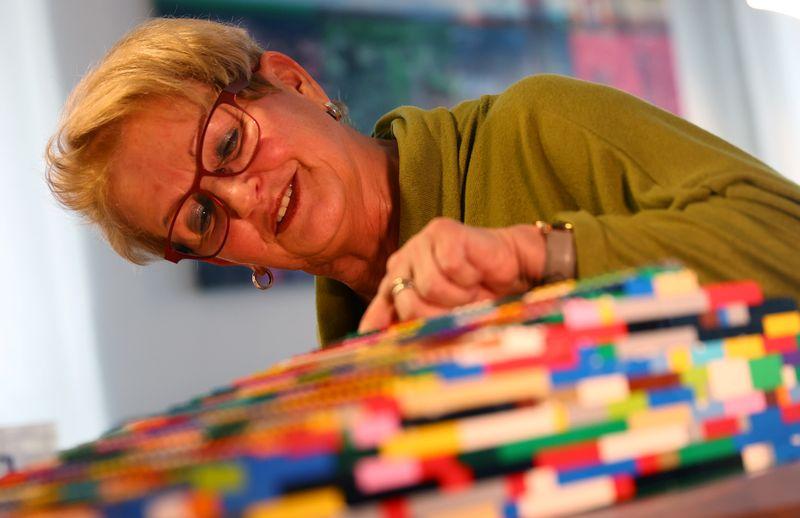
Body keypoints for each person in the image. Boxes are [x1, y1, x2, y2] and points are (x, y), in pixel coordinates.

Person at [47, 18, 800, 347]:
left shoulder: (537, 126)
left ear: (293, 81)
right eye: (202, 218)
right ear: (221, 258)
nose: (242, 197)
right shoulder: (348, 356)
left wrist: (537, 257)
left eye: (229, 144)